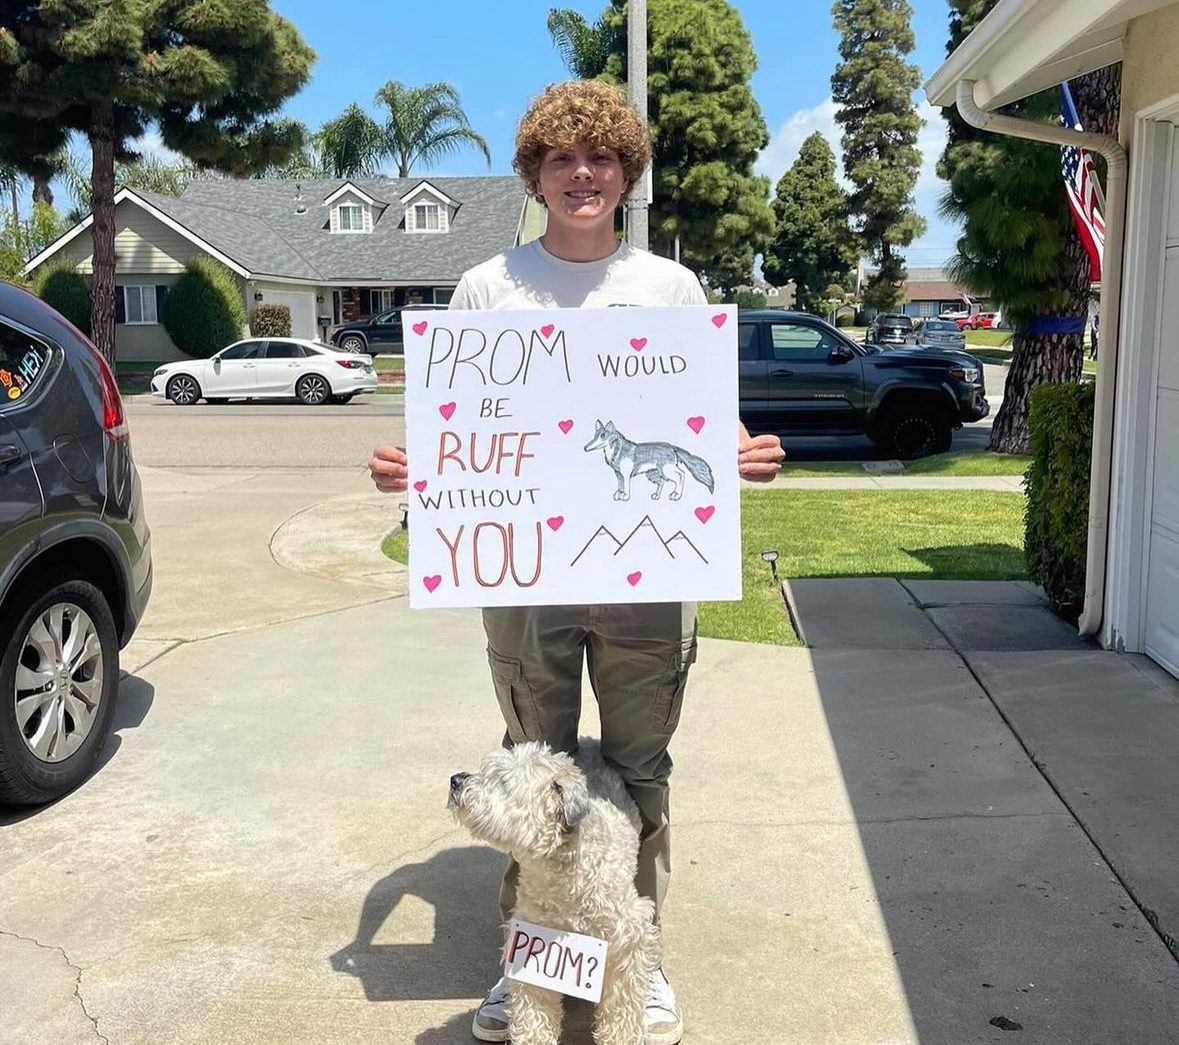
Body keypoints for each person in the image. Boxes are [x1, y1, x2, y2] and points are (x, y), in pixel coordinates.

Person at [368, 80, 784, 1045]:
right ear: (537, 174)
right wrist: (411, 466)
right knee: (530, 775)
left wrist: (739, 451)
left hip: (646, 579)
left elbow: (696, 416)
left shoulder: (668, 289)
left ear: (625, 173)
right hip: (523, 580)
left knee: (638, 768)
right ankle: (536, 967)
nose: (582, 174)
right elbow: (461, 427)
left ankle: (639, 958)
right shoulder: (488, 287)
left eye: (601, 158)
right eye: (562, 159)